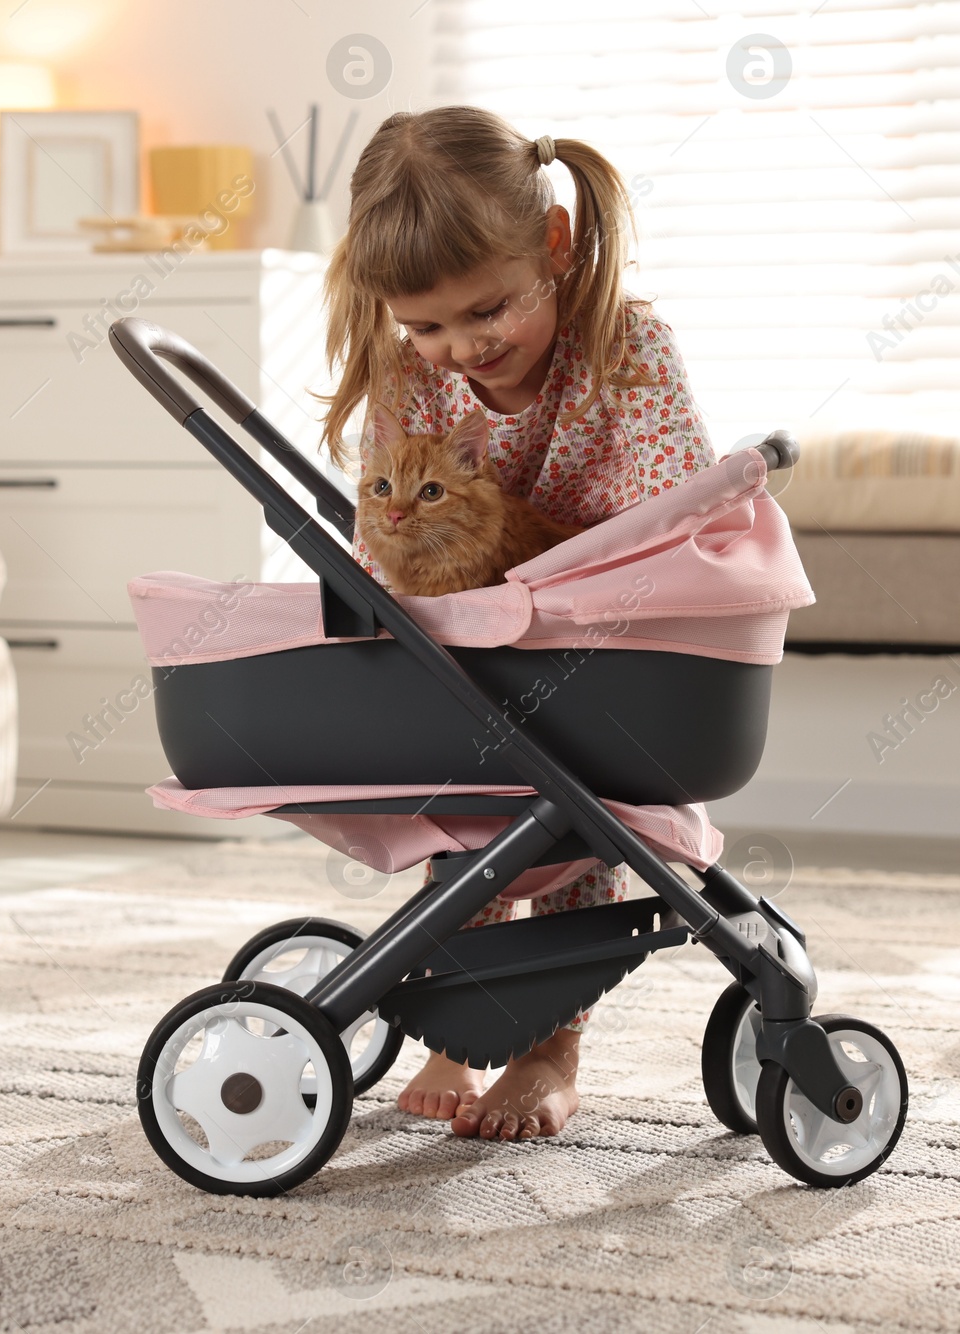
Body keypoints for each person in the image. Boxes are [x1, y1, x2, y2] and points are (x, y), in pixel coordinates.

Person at [320, 106, 715, 1141]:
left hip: (600, 654)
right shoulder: (411, 379)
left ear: (554, 245)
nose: (458, 348)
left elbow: (677, 528)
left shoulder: (631, 357)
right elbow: (382, 533)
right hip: (467, 655)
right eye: (425, 325)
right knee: (469, 817)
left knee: (574, 810)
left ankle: (548, 1041)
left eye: (484, 310)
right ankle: (458, 1017)